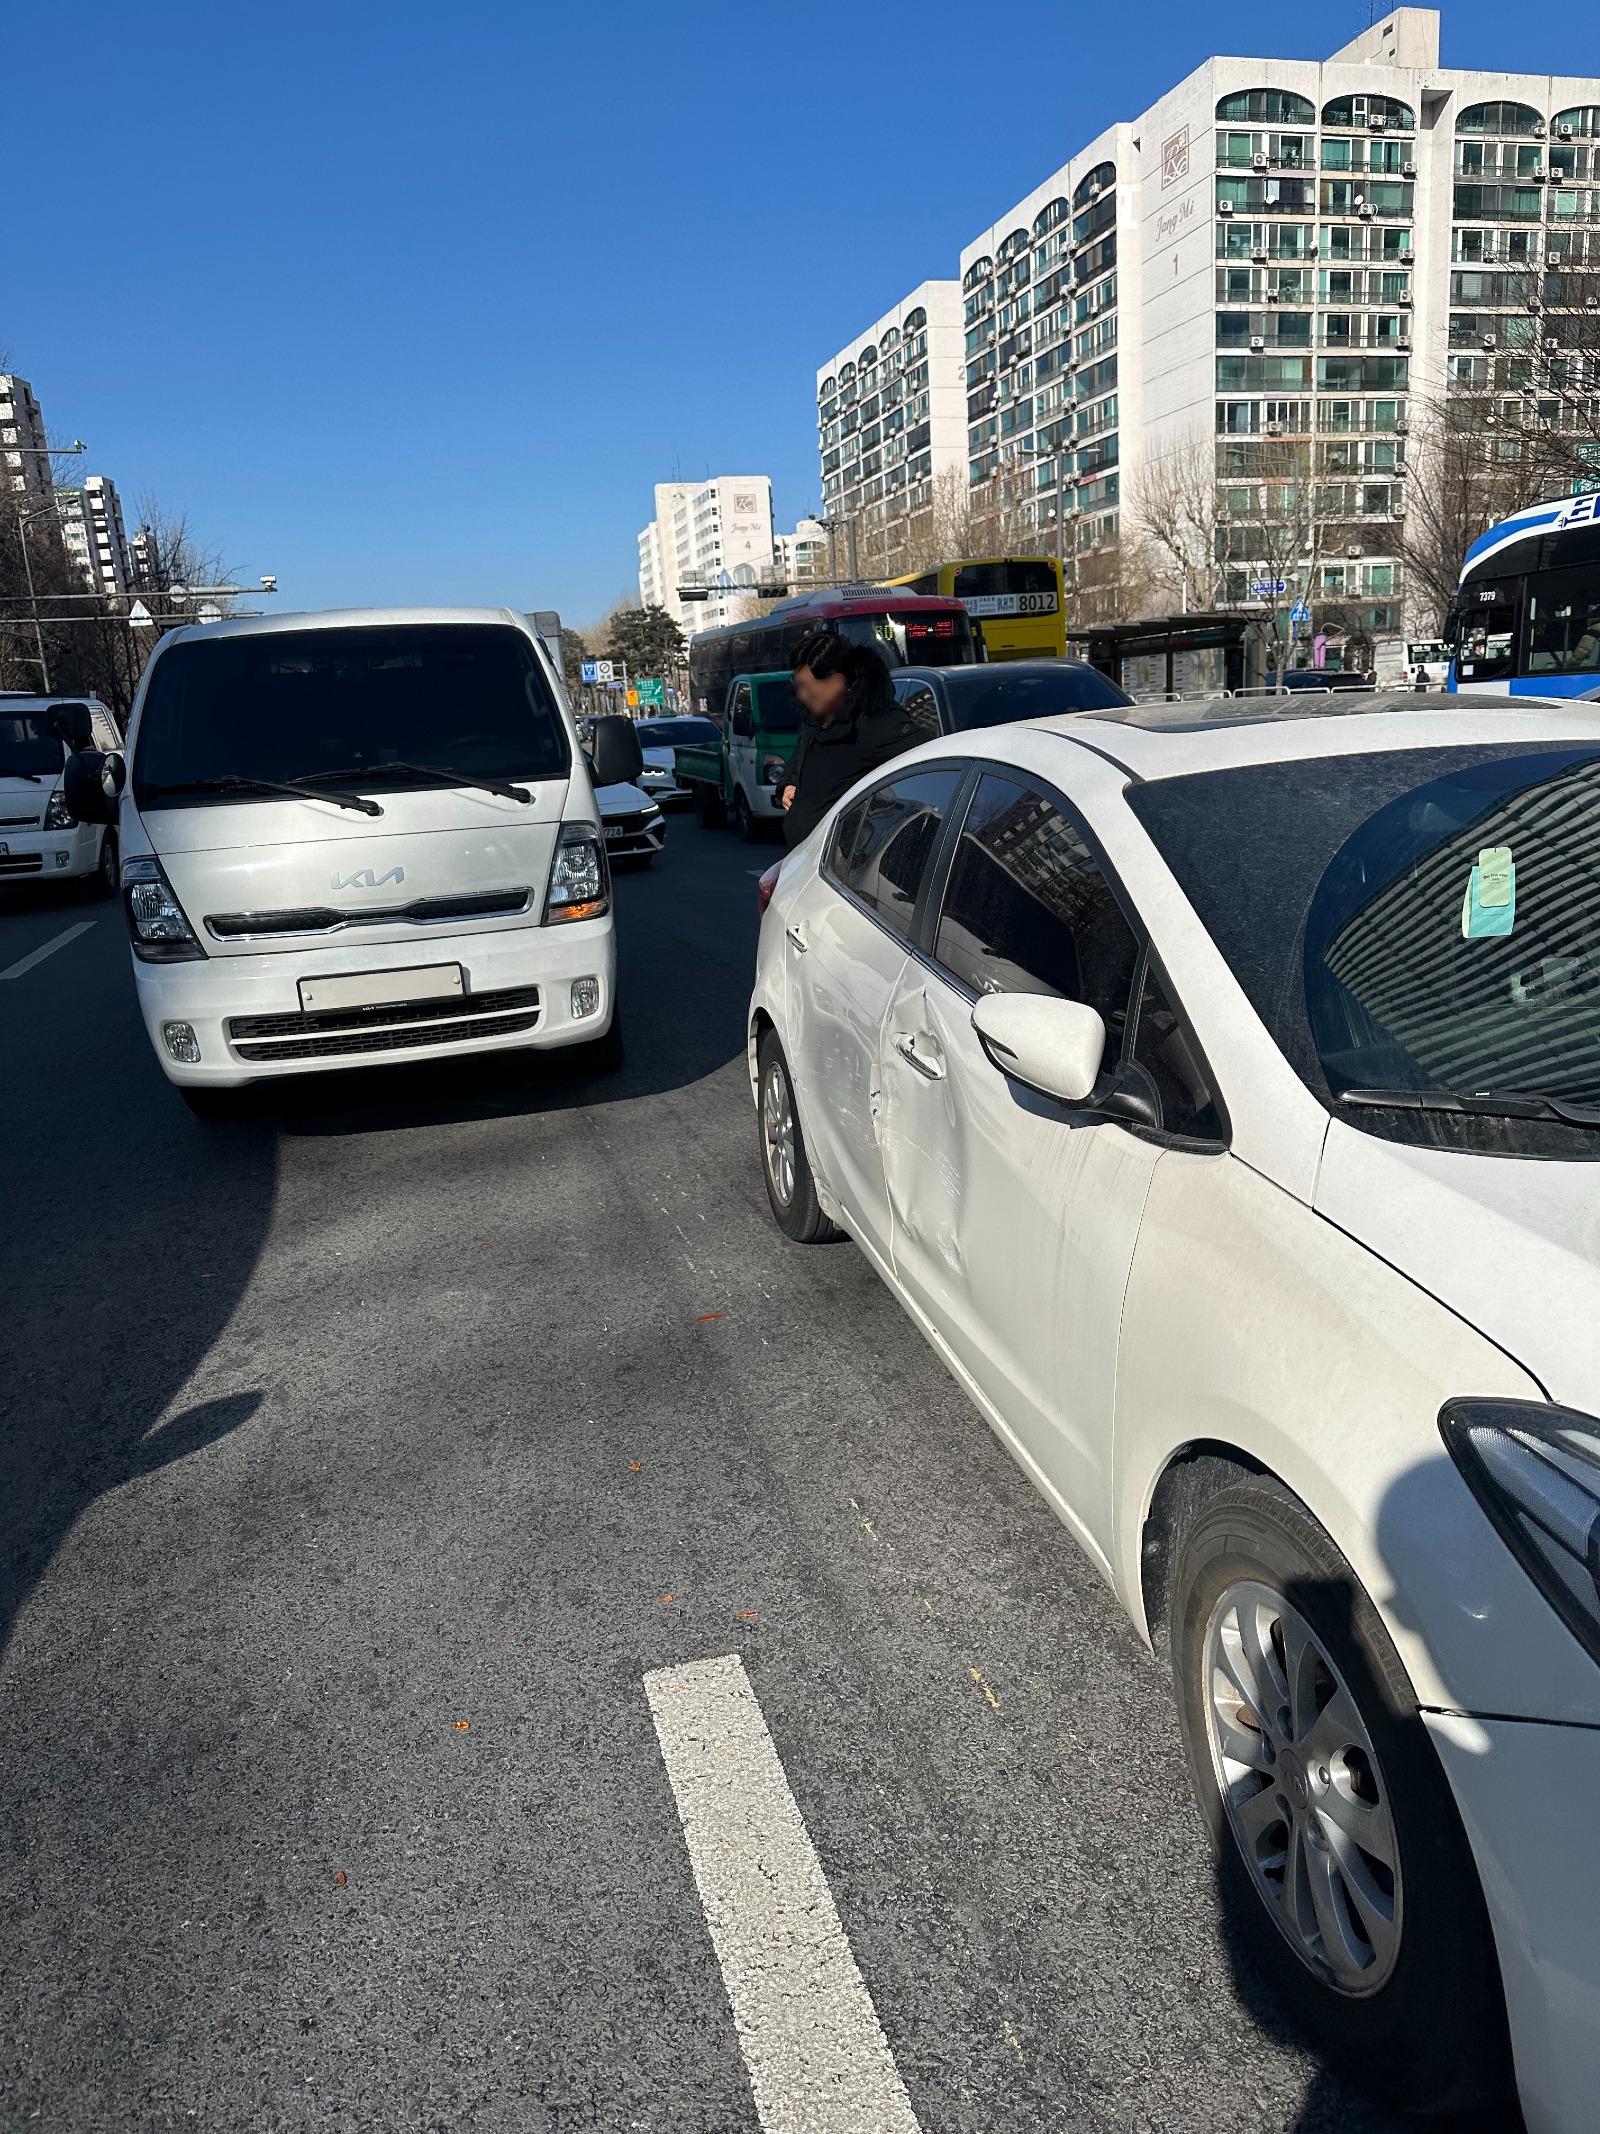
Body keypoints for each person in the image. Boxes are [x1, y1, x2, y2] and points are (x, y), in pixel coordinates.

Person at [780, 630, 920, 847]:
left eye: (807, 687)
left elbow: (930, 767)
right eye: (798, 686)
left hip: (846, 860)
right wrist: (789, 785)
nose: (802, 696)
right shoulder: (814, 719)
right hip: (803, 856)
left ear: (838, 681)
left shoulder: (878, 723)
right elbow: (797, 766)